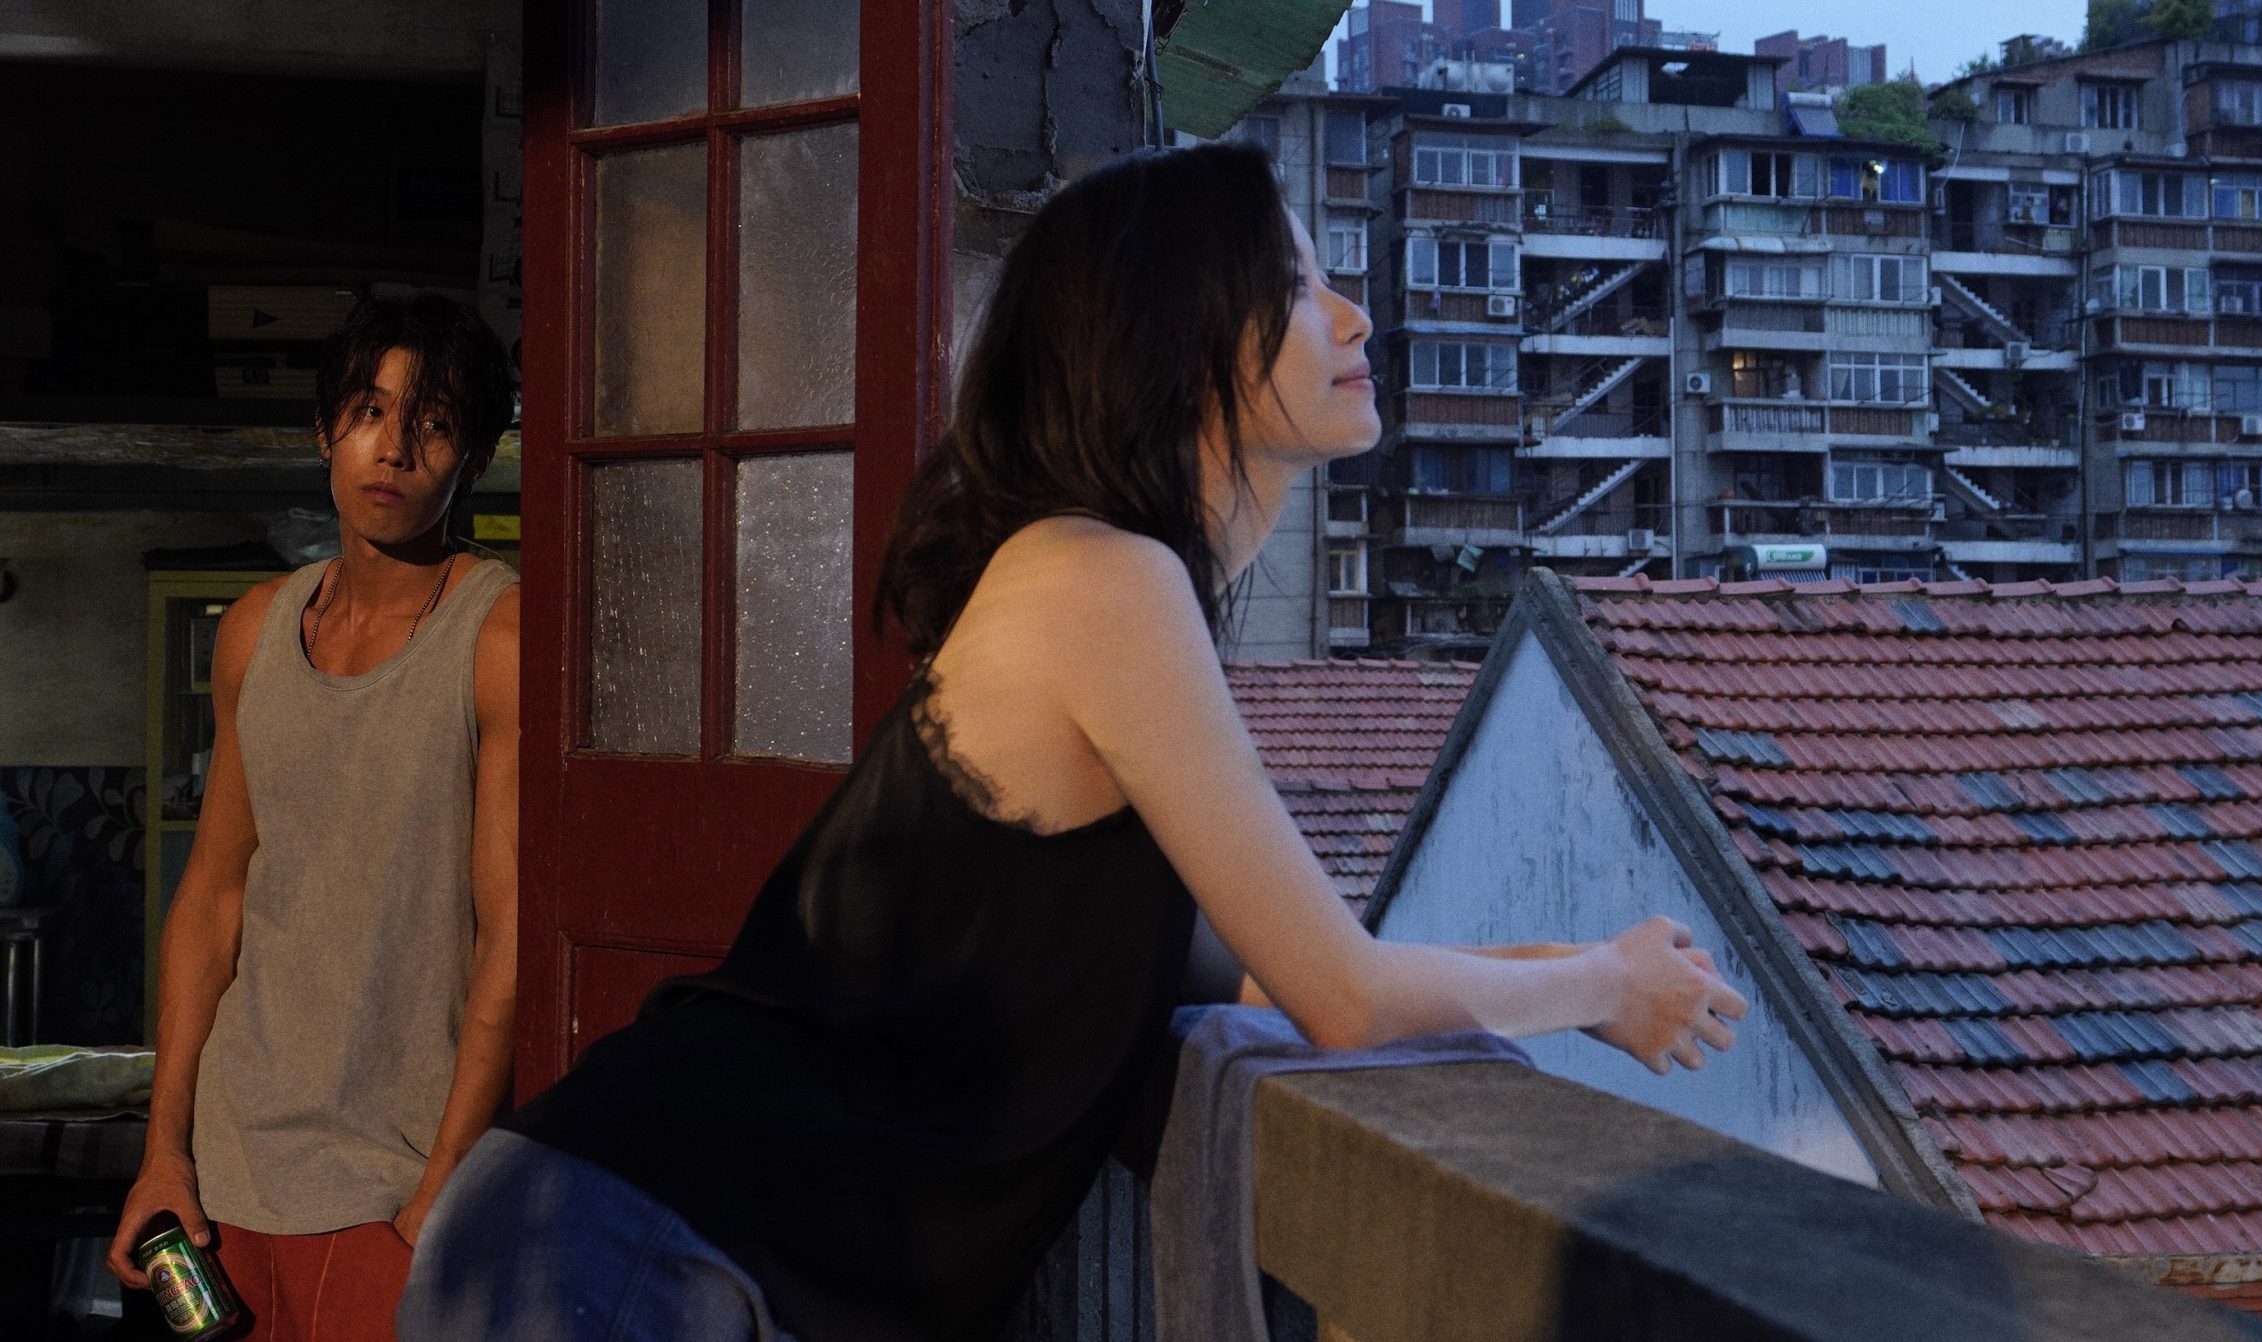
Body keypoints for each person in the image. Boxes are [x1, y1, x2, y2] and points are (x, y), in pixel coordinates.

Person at [399, 143, 1744, 1342]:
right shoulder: (1101, 578)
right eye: (1293, 288)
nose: (1354, 316)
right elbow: (1344, 994)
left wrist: (1576, 965)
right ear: (1176, 334)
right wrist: (1597, 988)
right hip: (629, 1242)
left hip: (660, 1238)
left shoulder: (1112, 591)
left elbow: (1279, 979)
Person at [108, 292, 521, 1342]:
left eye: (433, 424)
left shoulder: (498, 635)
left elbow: (511, 933)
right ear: (326, 430)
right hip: (226, 1177)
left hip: (390, 1186)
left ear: (473, 457)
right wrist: (164, 1151)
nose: (395, 449)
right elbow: (212, 899)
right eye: (370, 412)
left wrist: (445, 1181)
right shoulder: (256, 628)